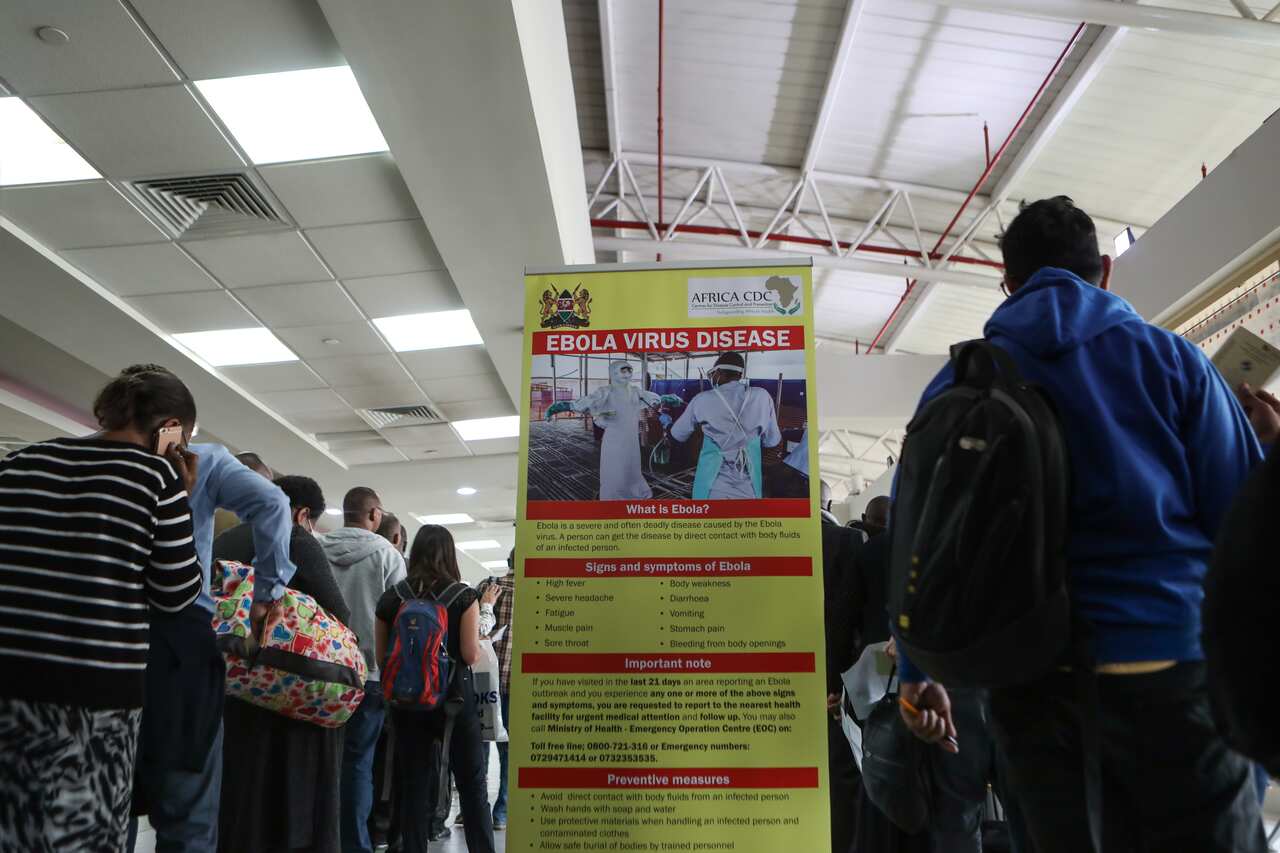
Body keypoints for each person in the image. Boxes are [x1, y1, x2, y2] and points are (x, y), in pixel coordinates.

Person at [895, 196, 1266, 852]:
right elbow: (1246, 527)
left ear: (1007, 281)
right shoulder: (1173, 362)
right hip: (1172, 668)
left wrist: (916, 673)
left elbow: (916, 538)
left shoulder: (960, 382)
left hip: (1033, 683)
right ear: (1105, 269)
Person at [0, 367, 204, 850]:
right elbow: (176, 594)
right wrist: (185, 498)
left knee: (13, 824)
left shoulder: (21, 461)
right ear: (169, 428)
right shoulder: (156, 477)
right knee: (81, 833)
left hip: (9, 678)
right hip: (94, 696)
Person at [124, 365, 296, 853]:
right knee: (189, 816)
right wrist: (268, 594)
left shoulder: (83, 460)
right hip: (179, 645)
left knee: (106, 800)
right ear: (173, 428)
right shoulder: (205, 462)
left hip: (102, 638)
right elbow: (273, 505)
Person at [214, 475, 351, 853]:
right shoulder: (296, 539)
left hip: (235, 687)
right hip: (288, 696)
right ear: (302, 513)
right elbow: (339, 614)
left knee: (242, 797)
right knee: (294, 805)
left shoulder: (225, 540)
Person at [374, 526, 497, 853]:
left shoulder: (393, 597)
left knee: (412, 785)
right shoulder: (463, 596)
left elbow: (381, 657)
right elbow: (470, 654)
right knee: (472, 788)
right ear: (449, 552)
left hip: (408, 704)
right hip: (455, 704)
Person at [320, 486, 406, 853]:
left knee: (322, 763)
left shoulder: (317, 549)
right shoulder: (388, 555)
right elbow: (400, 619)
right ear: (375, 515)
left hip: (319, 675)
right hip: (368, 676)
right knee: (358, 764)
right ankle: (355, 845)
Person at [545, 360, 678, 499]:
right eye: (623, 371)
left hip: (631, 439)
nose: (627, 374)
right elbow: (588, 401)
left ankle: (634, 491)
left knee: (631, 467)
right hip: (614, 439)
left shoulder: (635, 391)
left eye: (629, 371)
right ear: (614, 372)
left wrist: (665, 398)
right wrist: (563, 406)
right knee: (615, 468)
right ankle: (614, 495)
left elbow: (651, 398)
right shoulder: (606, 391)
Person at [668, 352, 783, 499]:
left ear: (720, 372)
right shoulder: (762, 396)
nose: (713, 377)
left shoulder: (702, 399)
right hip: (749, 489)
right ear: (739, 374)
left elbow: (678, 435)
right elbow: (772, 441)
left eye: (714, 373)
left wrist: (667, 425)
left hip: (712, 489)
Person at [480, 549, 517, 830]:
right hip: (517, 683)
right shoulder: (542, 592)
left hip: (484, 680)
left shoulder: (487, 586)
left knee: (478, 746)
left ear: (508, 564)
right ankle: (501, 812)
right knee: (508, 751)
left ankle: (474, 806)